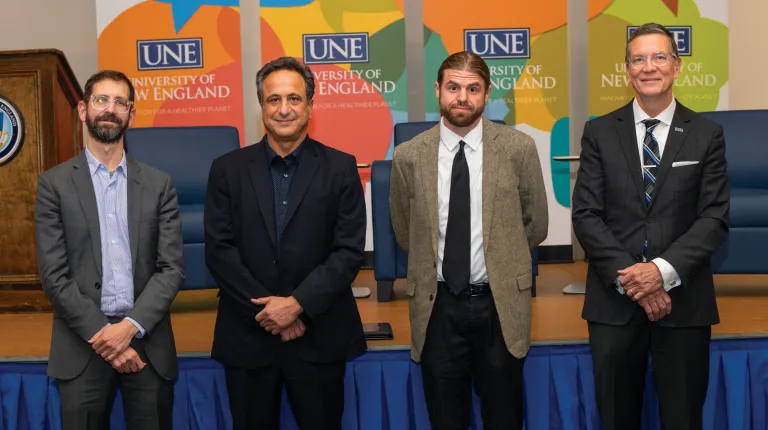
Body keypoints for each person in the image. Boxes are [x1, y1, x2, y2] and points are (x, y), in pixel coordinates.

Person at [572, 23, 729, 430]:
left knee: (683, 419)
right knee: (616, 418)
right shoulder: (599, 132)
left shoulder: (707, 135)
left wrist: (659, 272)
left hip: (684, 304)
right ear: (627, 70)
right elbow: (586, 215)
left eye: (659, 57)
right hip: (614, 304)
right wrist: (634, 281)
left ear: (677, 66)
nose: (649, 67)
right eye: (638, 59)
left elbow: (713, 218)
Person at [205, 56, 367, 430]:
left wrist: (297, 306)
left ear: (310, 104)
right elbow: (219, 250)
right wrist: (270, 314)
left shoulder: (341, 167)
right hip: (248, 336)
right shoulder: (227, 169)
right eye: (273, 99)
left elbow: (347, 251)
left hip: (319, 335)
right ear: (261, 106)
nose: (284, 109)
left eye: (294, 98)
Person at [389, 51, 548, 430]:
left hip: (500, 304)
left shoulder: (518, 148)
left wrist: (501, 256)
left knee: (504, 417)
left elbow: (535, 224)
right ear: (438, 90)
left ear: (487, 93)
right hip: (438, 306)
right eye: (454, 87)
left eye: (473, 89)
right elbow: (405, 231)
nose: (462, 97)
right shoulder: (409, 156)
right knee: (446, 418)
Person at [35, 70, 185, 430]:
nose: (110, 109)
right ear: (83, 110)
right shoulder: (53, 185)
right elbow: (54, 275)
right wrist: (106, 335)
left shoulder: (159, 184)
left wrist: (128, 328)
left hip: (147, 341)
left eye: (120, 102)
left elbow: (171, 269)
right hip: (82, 343)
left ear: (131, 115)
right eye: (101, 99)